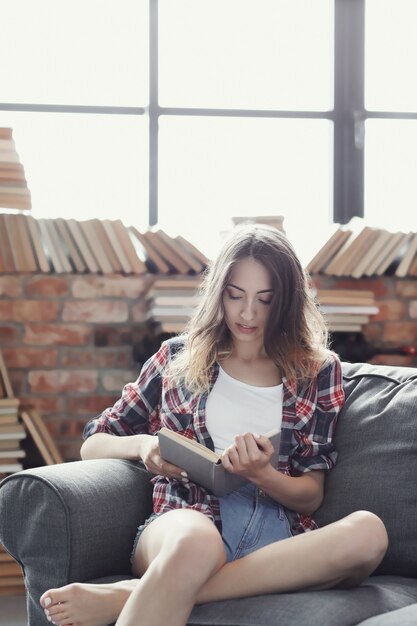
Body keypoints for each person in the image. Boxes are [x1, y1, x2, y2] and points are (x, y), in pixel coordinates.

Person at [40, 224, 388, 626]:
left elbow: (310, 497)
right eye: (235, 295)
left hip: (274, 535)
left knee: (369, 533)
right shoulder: (175, 358)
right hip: (185, 519)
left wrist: (262, 474)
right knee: (196, 543)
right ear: (218, 291)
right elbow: (93, 442)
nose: (247, 313)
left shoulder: (318, 370)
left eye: (265, 300)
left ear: (287, 302)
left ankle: (127, 596)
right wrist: (144, 447)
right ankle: (171, 579)